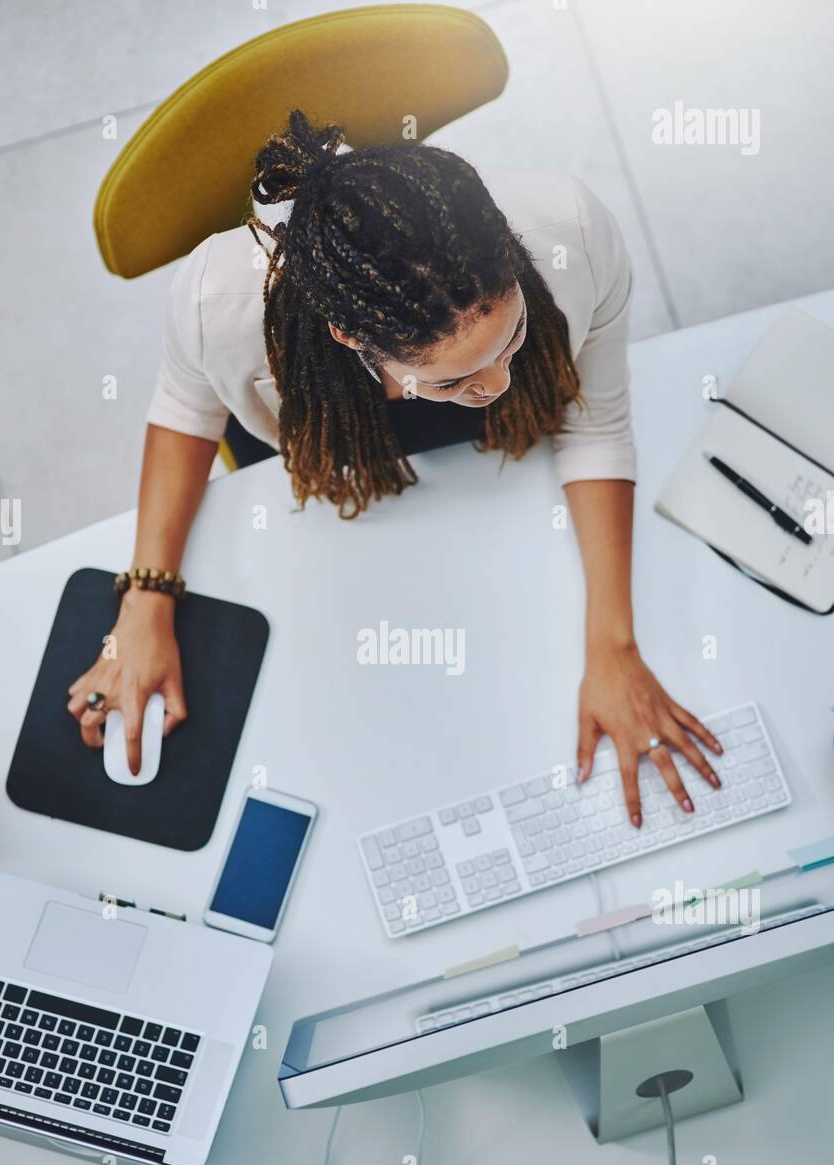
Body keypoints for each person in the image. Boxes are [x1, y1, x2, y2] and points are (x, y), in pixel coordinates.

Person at [68, 109, 722, 822]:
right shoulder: (215, 301)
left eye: (513, 338)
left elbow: (595, 424)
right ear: (349, 336)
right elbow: (184, 411)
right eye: (450, 383)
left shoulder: (570, 225)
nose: (497, 386)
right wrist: (145, 601)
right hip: (332, 459)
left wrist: (613, 648)